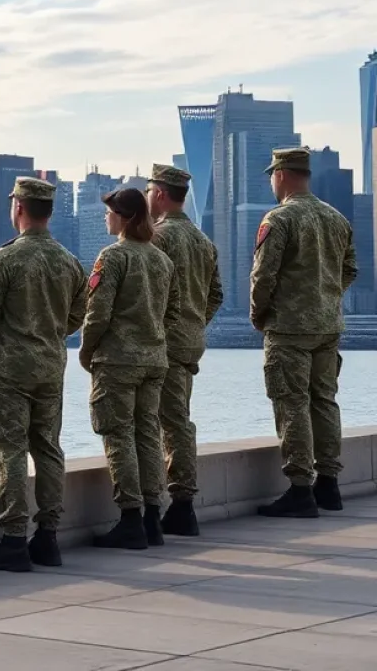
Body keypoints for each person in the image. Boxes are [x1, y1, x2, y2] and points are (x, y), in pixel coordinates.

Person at [0, 177, 88, 572]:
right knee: (48, 448)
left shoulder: (5, 259)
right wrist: (51, 338)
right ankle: (48, 537)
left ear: (18, 207)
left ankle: (14, 539)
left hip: (10, 370)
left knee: (10, 450)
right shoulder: (69, 261)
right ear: (48, 212)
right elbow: (78, 315)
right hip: (51, 368)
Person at [251, 147, 357, 518]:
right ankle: (329, 485)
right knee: (324, 400)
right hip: (328, 326)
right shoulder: (336, 218)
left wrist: (259, 313)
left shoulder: (279, 219)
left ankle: (300, 489)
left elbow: (264, 275)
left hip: (289, 328)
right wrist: (325, 298)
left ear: (280, 174)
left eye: (271, 175)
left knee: (291, 402)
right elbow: (350, 269)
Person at [79, 187, 179, 550]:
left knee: (118, 435)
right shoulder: (161, 260)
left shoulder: (113, 257)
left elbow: (98, 313)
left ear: (124, 217)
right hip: (154, 359)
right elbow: (172, 311)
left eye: (110, 212)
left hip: (118, 360)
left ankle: (130, 518)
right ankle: (153, 516)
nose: (106, 217)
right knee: (148, 434)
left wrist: (86, 351)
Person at [146, 164, 223, 537]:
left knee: (170, 422)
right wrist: (194, 323)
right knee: (176, 416)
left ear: (159, 194)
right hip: (191, 341)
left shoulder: (158, 238)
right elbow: (217, 295)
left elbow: (148, 295)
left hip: (163, 344)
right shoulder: (202, 240)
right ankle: (180, 502)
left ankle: (181, 504)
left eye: (149, 191)